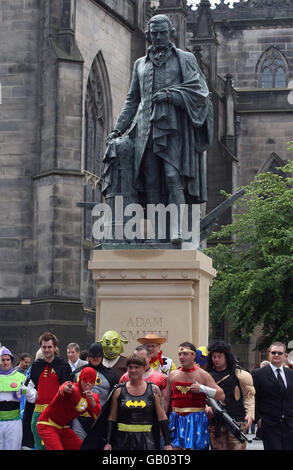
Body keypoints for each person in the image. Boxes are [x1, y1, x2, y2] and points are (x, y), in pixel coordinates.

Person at [106, 14, 213, 243]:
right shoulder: (140, 64)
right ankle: (157, 232)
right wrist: (118, 129)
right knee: (151, 180)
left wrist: (172, 95)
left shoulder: (185, 59)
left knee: (173, 176)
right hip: (145, 128)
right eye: (154, 33)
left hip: (174, 128)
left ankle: (178, 229)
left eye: (162, 33)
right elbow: (132, 99)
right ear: (149, 35)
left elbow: (200, 91)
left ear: (170, 33)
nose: (158, 37)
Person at [164, 341, 224, 450]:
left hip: (197, 420)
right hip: (176, 419)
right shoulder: (173, 375)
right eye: (180, 354)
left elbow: (221, 395)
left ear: (194, 355)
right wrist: (162, 420)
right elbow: (166, 400)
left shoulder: (203, 375)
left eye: (185, 354)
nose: (182, 357)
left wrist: (202, 388)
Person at [105, 354, 172, 450]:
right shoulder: (118, 390)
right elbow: (112, 418)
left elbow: (162, 417)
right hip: (122, 441)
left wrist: (167, 443)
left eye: (137, 367)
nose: (133, 370)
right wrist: (108, 443)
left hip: (147, 441)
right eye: (130, 367)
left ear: (144, 368)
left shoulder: (153, 390)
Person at [23, 332, 72, 450]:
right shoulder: (35, 365)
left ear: (55, 348)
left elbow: (68, 391)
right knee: (39, 446)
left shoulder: (64, 365)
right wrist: (27, 391)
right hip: (38, 415)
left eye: (49, 347)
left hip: (56, 414)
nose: (46, 350)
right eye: (44, 347)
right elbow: (31, 387)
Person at [205, 340, 255, 450]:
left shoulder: (240, 375)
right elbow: (201, 398)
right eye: (214, 357)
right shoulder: (206, 376)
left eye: (219, 356)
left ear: (226, 356)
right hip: (215, 424)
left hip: (236, 422)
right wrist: (207, 408)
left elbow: (249, 395)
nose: (216, 359)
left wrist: (250, 414)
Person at [37, 367, 101, 450]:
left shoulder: (93, 397)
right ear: (80, 379)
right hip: (47, 423)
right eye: (85, 380)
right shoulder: (73, 387)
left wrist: (92, 401)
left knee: (81, 447)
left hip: (61, 428)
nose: (87, 384)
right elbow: (62, 390)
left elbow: (98, 417)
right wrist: (66, 389)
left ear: (94, 383)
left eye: (91, 381)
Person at [70, 342, 118, 440]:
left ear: (102, 355)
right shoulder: (76, 373)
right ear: (88, 356)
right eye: (92, 356)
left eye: (98, 356)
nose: (95, 359)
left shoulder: (111, 376)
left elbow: (115, 401)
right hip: (79, 418)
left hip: (100, 419)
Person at [252, 341, 293, 450]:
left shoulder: (291, 374)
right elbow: (254, 398)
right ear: (269, 353)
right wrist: (258, 419)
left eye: (279, 353)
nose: (276, 355)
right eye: (273, 352)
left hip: (289, 425)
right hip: (269, 424)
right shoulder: (258, 374)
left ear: (285, 356)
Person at [0, 346, 36, 450]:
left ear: (11, 360)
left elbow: (33, 397)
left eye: (8, 360)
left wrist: (25, 390)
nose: (5, 362)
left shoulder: (21, 378)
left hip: (14, 423)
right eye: (2, 360)